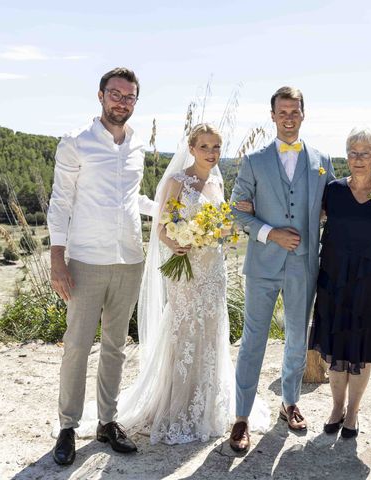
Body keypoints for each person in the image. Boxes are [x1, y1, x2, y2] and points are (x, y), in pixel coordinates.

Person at [65, 123, 269, 446]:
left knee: (212, 331)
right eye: (205, 147)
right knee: (184, 331)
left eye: (216, 147)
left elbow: (223, 224)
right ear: (191, 148)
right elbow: (161, 227)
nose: (211, 153)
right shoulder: (177, 182)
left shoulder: (217, 181)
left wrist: (222, 232)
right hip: (185, 269)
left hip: (213, 271)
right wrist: (176, 243)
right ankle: (179, 407)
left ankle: (208, 405)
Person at [48, 67, 155, 465]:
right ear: (100, 95)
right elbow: (60, 203)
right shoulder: (75, 142)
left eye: (129, 97)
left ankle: (108, 422)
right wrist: (58, 260)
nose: (121, 102)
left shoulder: (137, 144)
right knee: (76, 347)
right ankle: (67, 427)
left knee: (115, 347)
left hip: (130, 258)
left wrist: (175, 214)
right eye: (116, 94)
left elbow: (134, 199)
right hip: (85, 261)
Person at [228, 86, 335, 452]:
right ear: (272, 116)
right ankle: (241, 417)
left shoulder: (321, 159)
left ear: (304, 114)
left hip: (304, 264)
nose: (289, 117)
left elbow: (331, 204)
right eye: (282, 112)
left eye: (295, 111)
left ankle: (290, 403)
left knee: (295, 338)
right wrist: (271, 233)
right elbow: (237, 209)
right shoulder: (254, 161)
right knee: (253, 341)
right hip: (262, 265)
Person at [308, 127, 371, 439]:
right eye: (353, 152)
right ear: (347, 156)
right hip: (333, 280)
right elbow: (307, 218)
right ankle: (336, 407)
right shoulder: (332, 190)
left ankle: (353, 412)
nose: (358, 159)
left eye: (366, 153)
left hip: (370, 284)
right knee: (335, 349)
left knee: (361, 350)